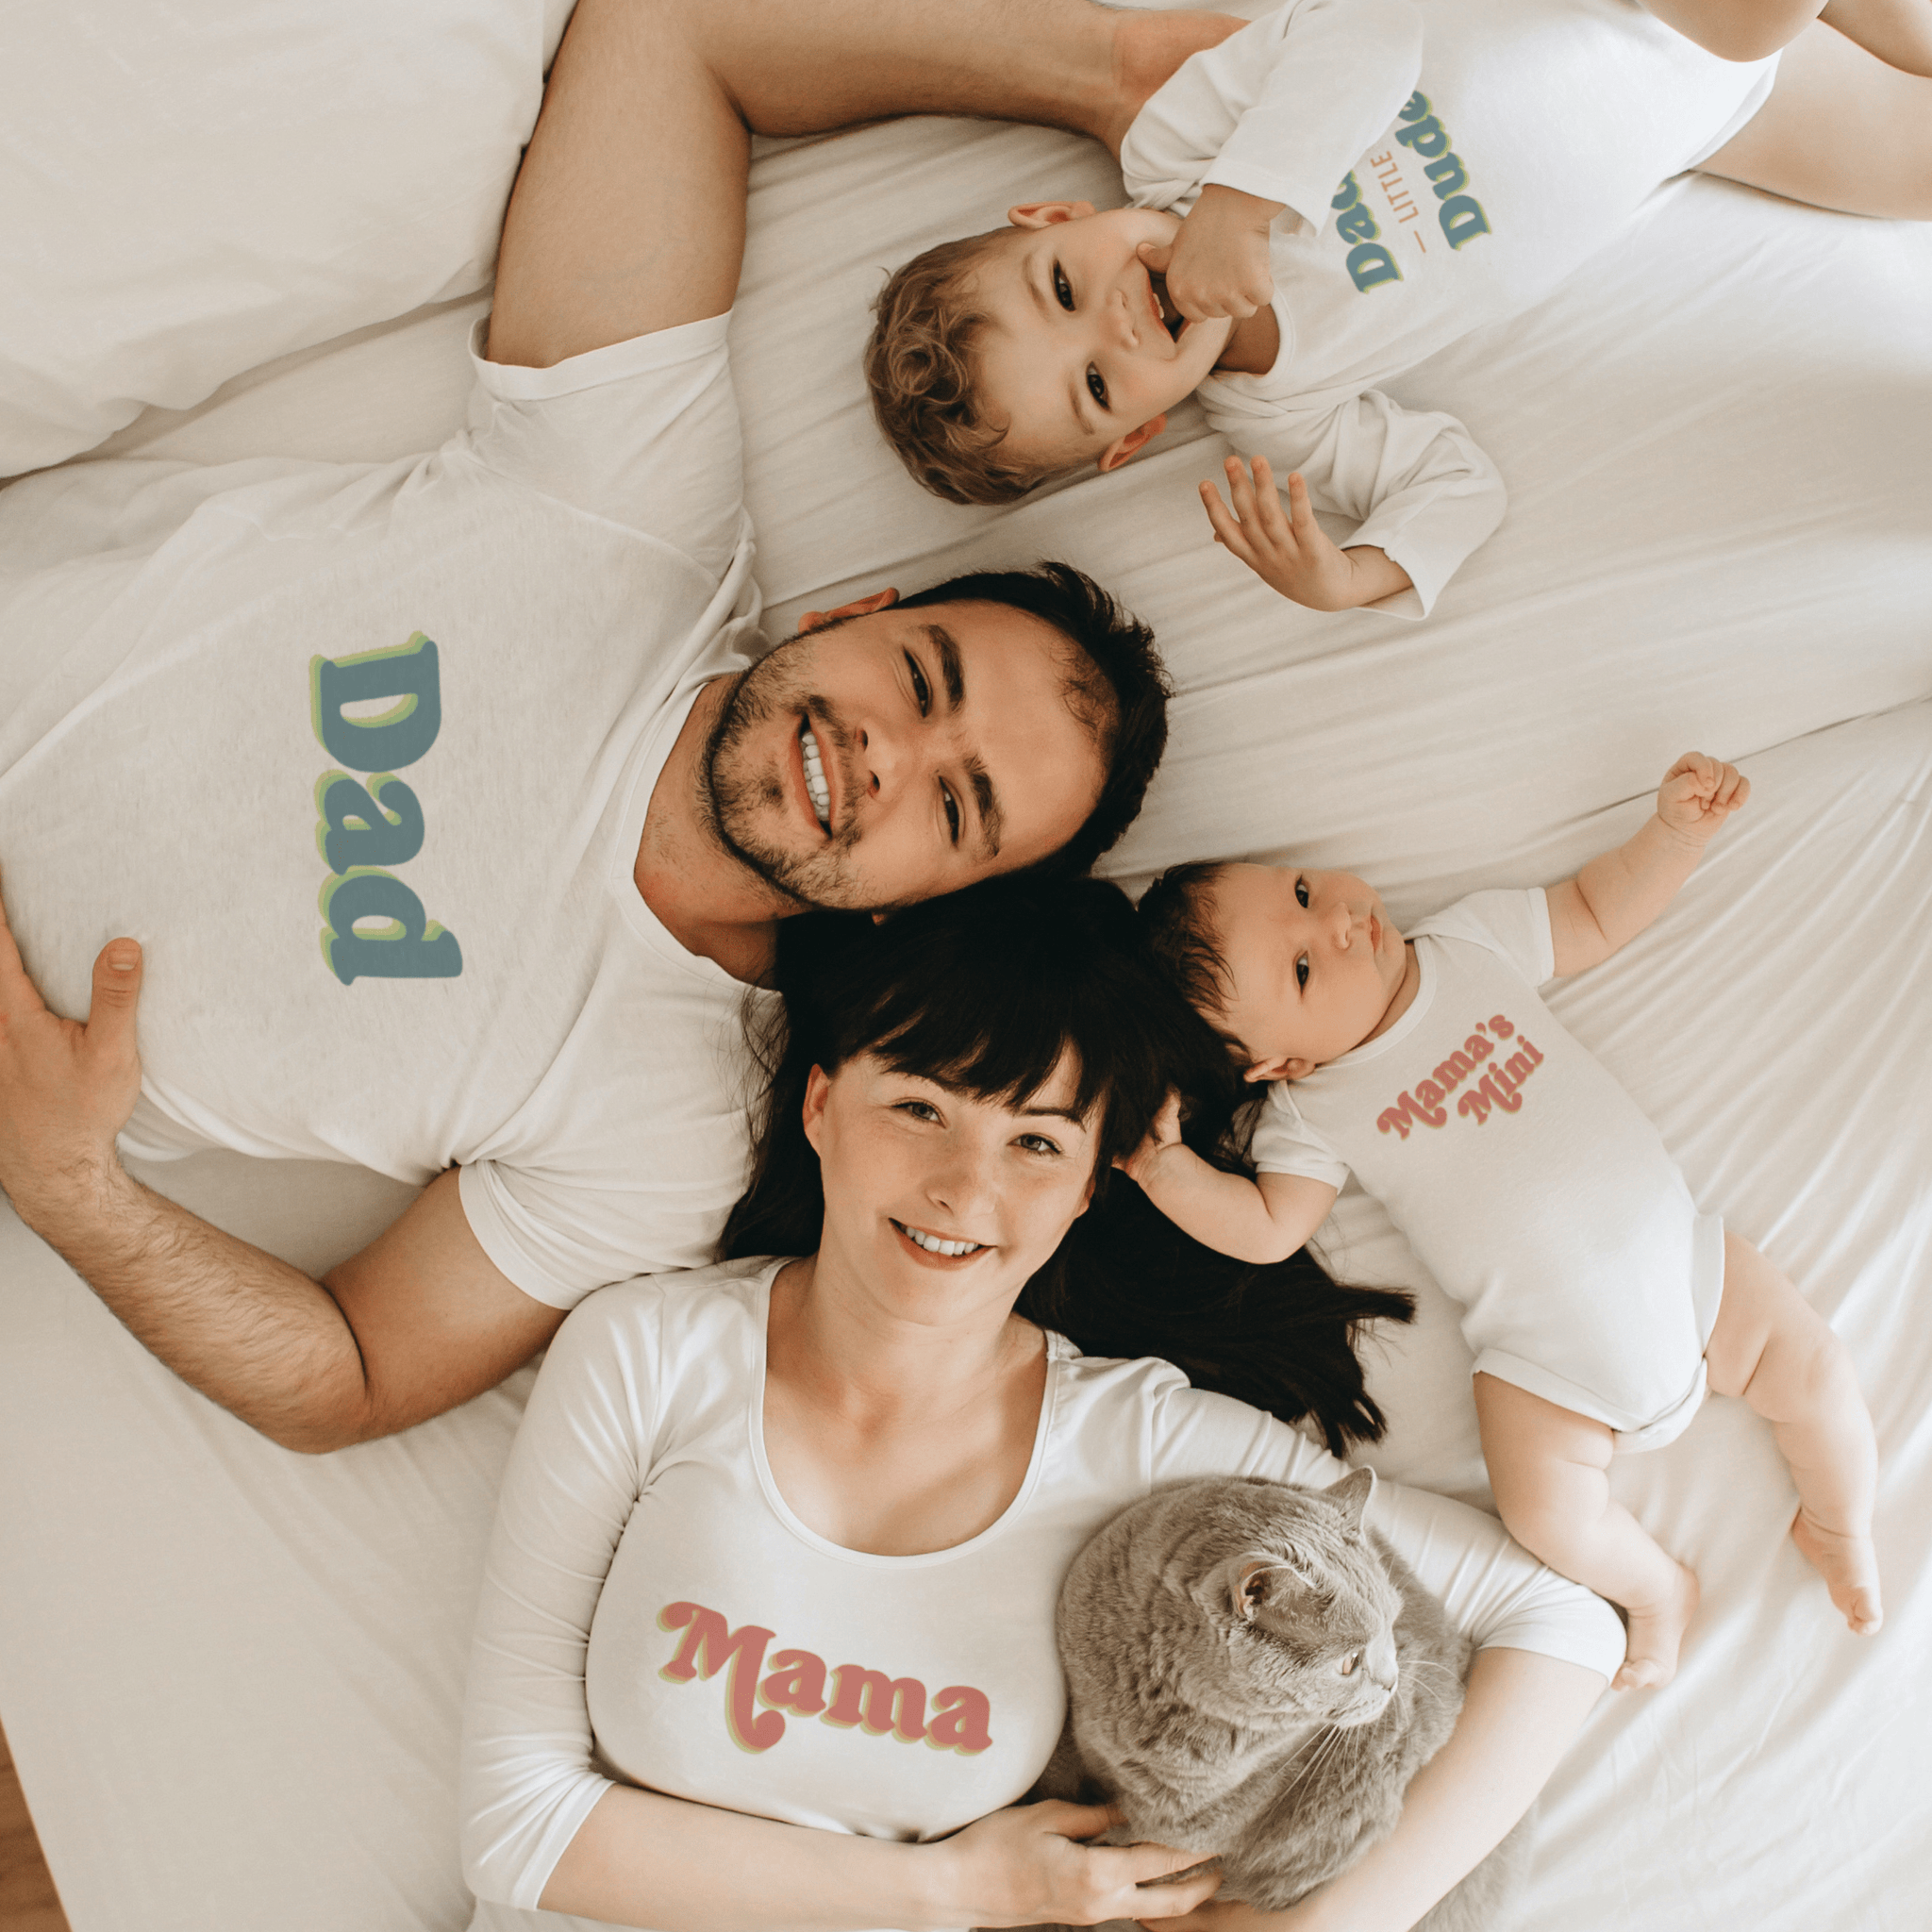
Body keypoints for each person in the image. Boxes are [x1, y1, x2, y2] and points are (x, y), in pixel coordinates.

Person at [0, 0, 1248, 1454]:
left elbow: (354, 1373)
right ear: (856, 613)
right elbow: (673, 35)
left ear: (924, 904)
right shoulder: (629, 509)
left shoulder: (668, 1126)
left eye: (957, 809)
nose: (885, 758)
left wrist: (69, 1191)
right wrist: (1105, 77)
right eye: (921, 683)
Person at [458, 874, 1625, 1932]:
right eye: (919, 1107)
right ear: (820, 1104)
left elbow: (1555, 1615)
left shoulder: (1132, 1435)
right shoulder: (648, 1351)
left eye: (1034, 1141)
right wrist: (960, 1890)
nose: (964, 1188)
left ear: (1085, 1189)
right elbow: (516, 1827)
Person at [1126, 754, 1882, 1690]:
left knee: (1816, 1371)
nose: (1337, 920)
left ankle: (1839, 1523)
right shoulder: (1312, 1112)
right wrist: (1163, 1169)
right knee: (1542, 1512)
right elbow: (1269, 1227)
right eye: (1304, 966)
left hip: (1686, 1269)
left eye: (1302, 890)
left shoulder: (1466, 943)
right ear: (1280, 1064)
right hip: (1542, 1366)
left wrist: (1672, 837)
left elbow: (1594, 912)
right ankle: (1657, 1590)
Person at [863, 0, 1932, 619]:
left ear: (1057, 214)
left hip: (1618, 11)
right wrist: (1349, 575)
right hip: (1704, 122)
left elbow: (1365, 34)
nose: (1117, 323)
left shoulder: (1179, 145)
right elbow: (1456, 481)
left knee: (1762, 18)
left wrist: (1242, 199)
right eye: (1097, 384)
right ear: (1134, 436)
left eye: (1062, 285)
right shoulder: (1280, 414)